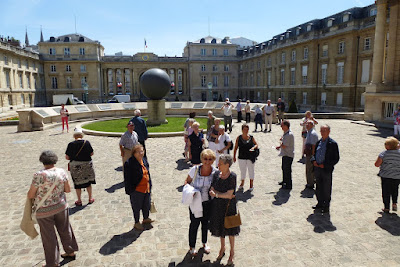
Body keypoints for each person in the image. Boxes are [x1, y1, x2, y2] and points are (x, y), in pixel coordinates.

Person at [28, 150, 78, 267]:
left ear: (42, 161)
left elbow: (31, 194)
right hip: (60, 206)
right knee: (65, 229)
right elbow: (68, 189)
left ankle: (53, 262)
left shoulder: (39, 175)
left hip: (44, 210)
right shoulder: (61, 172)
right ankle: (70, 251)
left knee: (48, 237)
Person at [184, 149, 217, 256]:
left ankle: (204, 242)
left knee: (205, 224)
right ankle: (192, 246)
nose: (207, 161)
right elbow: (186, 182)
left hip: (208, 202)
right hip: (195, 202)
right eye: (205, 159)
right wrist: (190, 192)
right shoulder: (195, 169)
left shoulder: (215, 172)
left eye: (210, 159)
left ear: (213, 160)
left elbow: (217, 185)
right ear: (202, 159)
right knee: (194, 224)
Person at [209, 154, 239, 266]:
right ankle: (222, 247)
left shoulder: (232, 176)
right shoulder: (216, 174)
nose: (218, 165)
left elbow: (229, 194)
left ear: (227, 165)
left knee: (231, 230)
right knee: (220, 228)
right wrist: (219, 194)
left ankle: (232, 252)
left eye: (220, 163)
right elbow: (212, 188)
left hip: (229, 207)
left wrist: (216, 194)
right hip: (217, 206)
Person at [124, 144, 154, 230]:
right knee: (136, 207)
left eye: (142, 151)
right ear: (134, 153)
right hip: (136, 190)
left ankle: (145, 218)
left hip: (146, 188)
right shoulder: (129, 163)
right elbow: (127, 178)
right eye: (139, 152)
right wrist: (130, 190)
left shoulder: (144, 160)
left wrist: (150, 185)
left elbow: (147, 173)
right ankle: (137, 222)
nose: (141, 153)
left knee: (146, 204)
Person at [311, 125, 340, 214]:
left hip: (326, 169)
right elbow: (314, 154)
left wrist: (326, 165)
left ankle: (326, 206)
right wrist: (313, 161)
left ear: (329, 132)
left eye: (325, 130)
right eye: (321, 130)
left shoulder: (333, 144)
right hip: (317, 169)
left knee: (326, 188)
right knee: (318, 187)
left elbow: (336, 158)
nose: (323, 132)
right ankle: (320, 203)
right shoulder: (319, 142)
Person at [66, 128, 96, 206]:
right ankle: (90, 198)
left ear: (74, 136)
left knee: (77, 184)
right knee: (88, 182)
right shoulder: (87, 143)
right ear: (81, 135)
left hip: (75, 167)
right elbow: (91, 153)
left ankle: (79, 200)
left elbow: (67, 157)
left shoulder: (71, 144)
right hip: (87, 165)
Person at [375, 137, 400, 213]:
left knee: (386, 191)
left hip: (386, 176)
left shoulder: (383, 154)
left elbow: (377, 164)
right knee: (395, 189)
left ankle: (386, 207)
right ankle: (394, 203)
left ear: (388, 146)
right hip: (397, 176)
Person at [233, 124, 258, 191]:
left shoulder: (251, 137)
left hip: (250, 157)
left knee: (251, 170)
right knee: (242, 171)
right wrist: (234, 156)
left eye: (247, 129)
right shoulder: (239, 138)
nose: (246, 131)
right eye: (244, 129)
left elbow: (256, 144)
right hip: (241, 156)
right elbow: (235, 147)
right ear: (242, 130)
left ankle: (251, 184)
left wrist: (253, 147)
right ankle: (242, 182)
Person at [276, 120, 294, 189]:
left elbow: (284, 146)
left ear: (286, 126)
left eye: (282, 125)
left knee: (287, 170)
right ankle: (284, 181)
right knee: (284, 168)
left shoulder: (289, 135)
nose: (281, 127)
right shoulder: (286, 133)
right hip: (285, 154)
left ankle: (288, 184)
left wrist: (280, 143)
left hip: (288, 155)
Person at [304, 121, 319, 189]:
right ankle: (311, 181)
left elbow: (313, 145)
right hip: (308, 153)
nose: (306, 125)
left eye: (308, 124)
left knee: (309, 169)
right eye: (306, 124)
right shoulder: (309, 132)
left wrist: (313, 156)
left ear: (312, 125)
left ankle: (310, 183)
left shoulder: (312, 133)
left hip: (310, 154)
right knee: (310, 169)